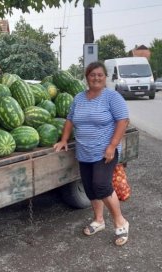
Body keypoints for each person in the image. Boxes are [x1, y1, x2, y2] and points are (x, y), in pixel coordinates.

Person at [53, 61, 130, 246]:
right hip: (84, 152)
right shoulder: (79, 98)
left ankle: (121, 222)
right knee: (89, 188)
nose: (96, 78)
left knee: (101, 186)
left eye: (100, 75)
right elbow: (70, 120)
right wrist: (64, 140)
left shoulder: (112, 97)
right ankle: (98, 221)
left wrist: (112, 146)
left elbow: (123, 121)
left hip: (105, 152)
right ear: (86, 77)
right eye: (92, 74)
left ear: (105, 78)